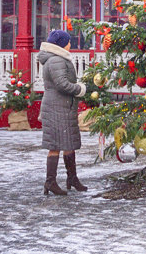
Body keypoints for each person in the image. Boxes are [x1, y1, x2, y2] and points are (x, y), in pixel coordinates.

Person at [38, 29, 88, 196]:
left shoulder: (57, 59)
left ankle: (72, 179)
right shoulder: (56, 61)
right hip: (57, 107)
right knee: (55, 146)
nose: (70, 44)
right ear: (61, 44)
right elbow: (62, 84)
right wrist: (79, 89)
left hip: (63, 106)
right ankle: (50, 181)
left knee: (69, 144)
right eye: (68, 41)